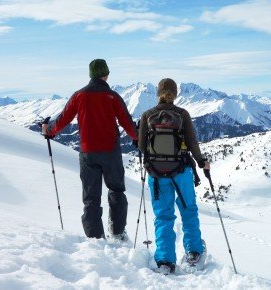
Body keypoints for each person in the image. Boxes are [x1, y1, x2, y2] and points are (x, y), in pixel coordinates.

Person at [42, 59, 138, 241]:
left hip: (88, 153)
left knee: (91, 197)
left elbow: (62, 120)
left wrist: (48, 129)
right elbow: (129, 126)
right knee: (116, 190)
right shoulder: (113, 96)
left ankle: (95, 238)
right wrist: (138, 137)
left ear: (90, 75)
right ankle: (117, 232)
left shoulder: (79, 96)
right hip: (111, 152)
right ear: (106, 74)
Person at [138, 78, 209, 274]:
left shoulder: (147, 115)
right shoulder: (182, 114)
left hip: (157, 174)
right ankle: (194, 253)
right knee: (188, 211)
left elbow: (141, 146)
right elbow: (192, 143)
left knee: (163, 216)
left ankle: (165, 260)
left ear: (158, 93)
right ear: (175, 94)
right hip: (181, 171)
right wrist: (202, 162)